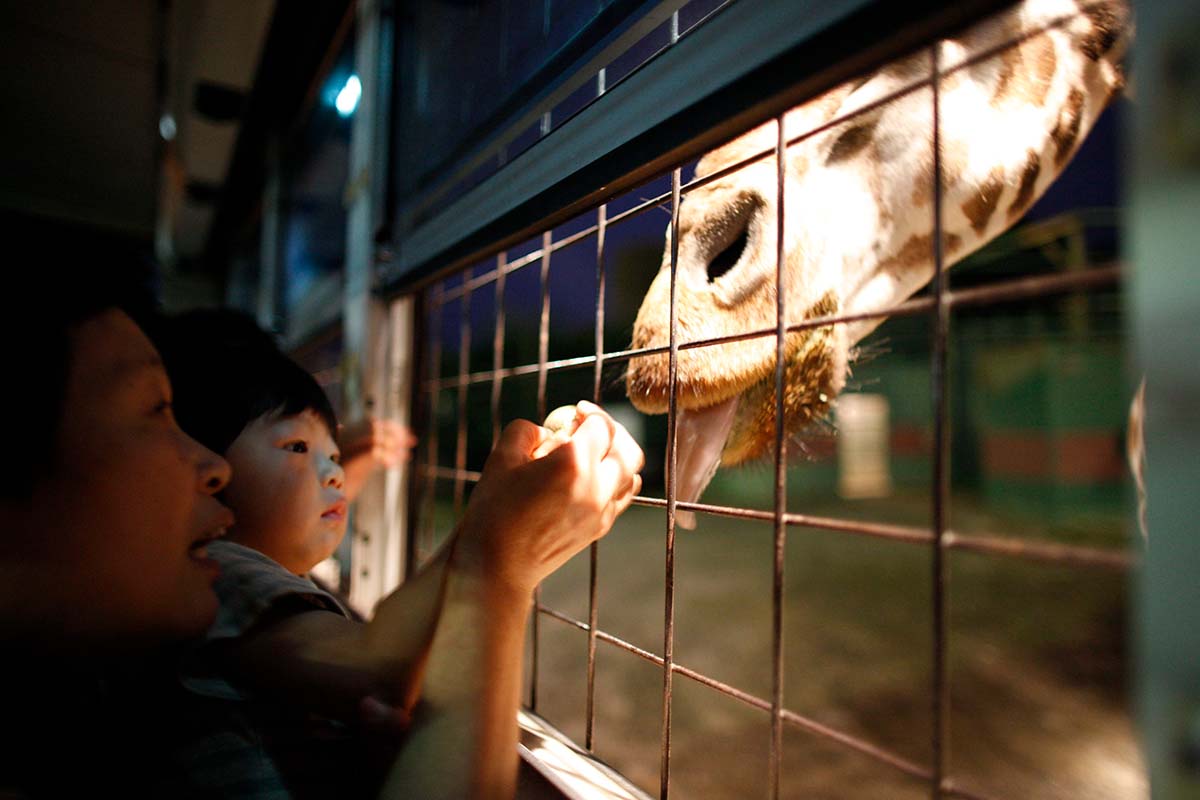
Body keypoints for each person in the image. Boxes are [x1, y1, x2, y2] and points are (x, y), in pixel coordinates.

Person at [145, 308, 646, 799]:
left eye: (335, 456)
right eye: (297, 447)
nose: (336, 474)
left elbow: (391, 652)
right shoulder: (219, 570)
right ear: (203, 467)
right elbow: (381, 667)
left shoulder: (251, 589)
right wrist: (500, 534)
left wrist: (500, 522)